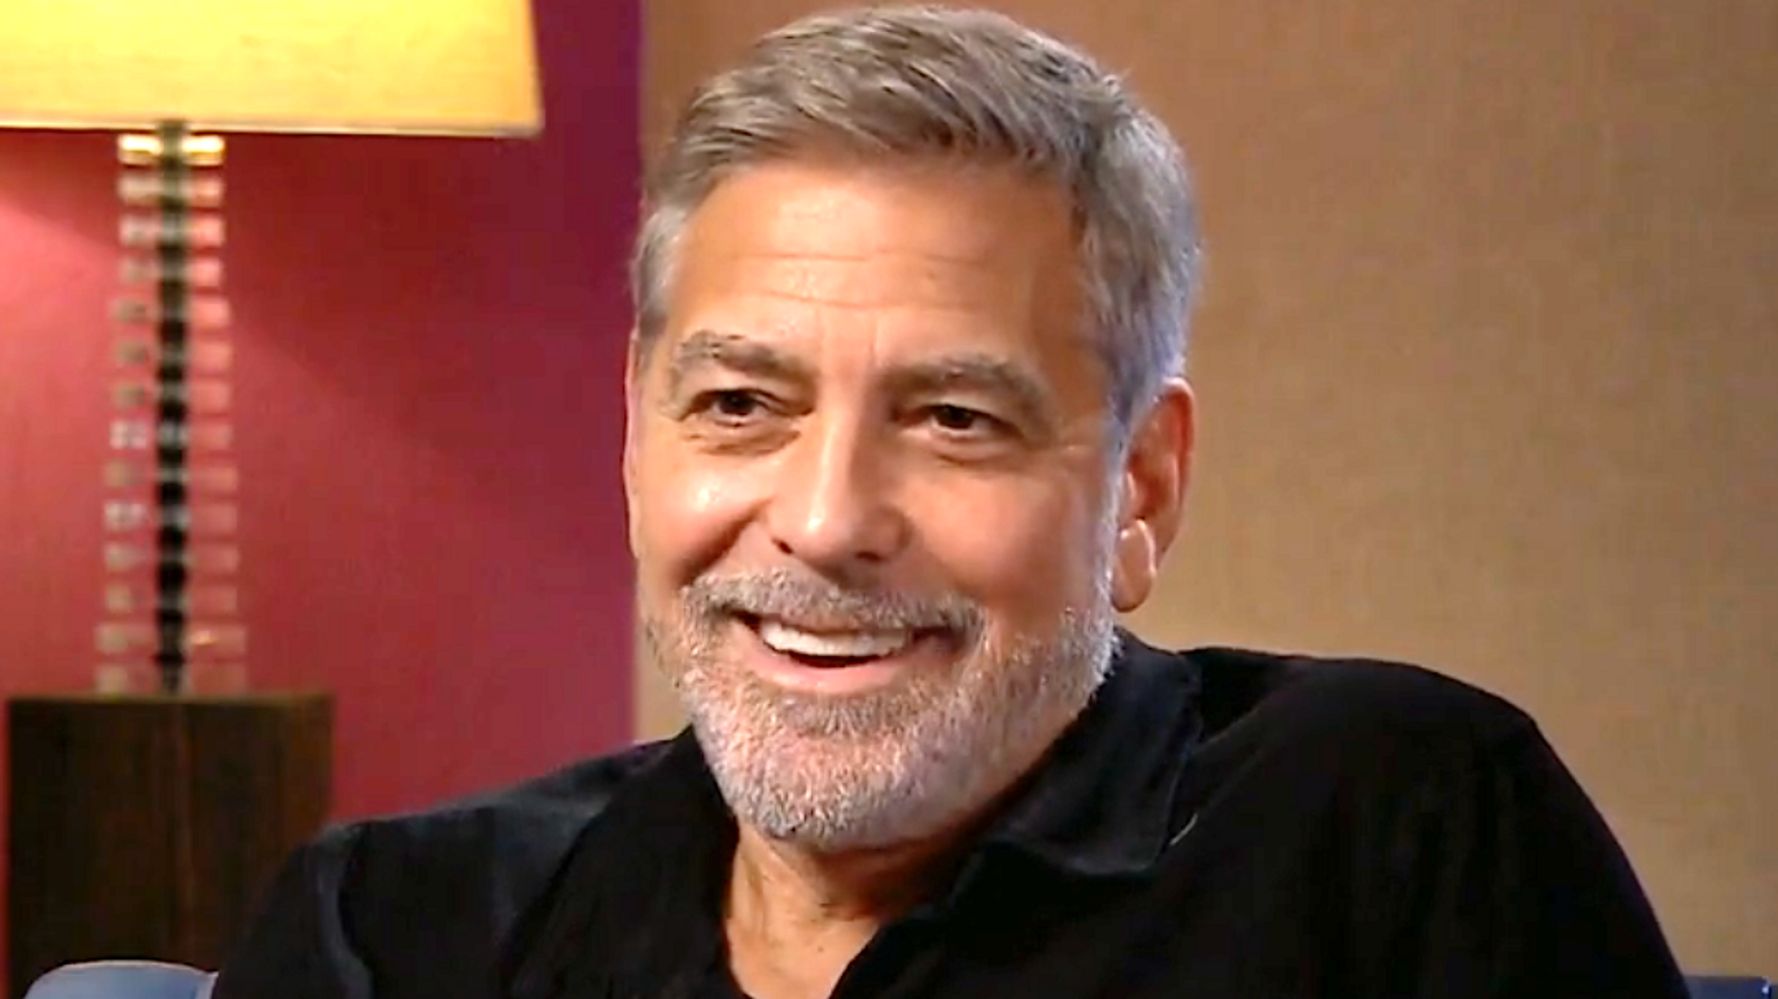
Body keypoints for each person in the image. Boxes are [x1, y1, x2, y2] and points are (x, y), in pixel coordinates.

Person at [214, 6, 1690, 997]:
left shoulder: (1391, 827)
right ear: (634, 441)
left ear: (1141, 486)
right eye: (740, 406)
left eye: (954, 421)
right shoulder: (390, 936)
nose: (824, 520)